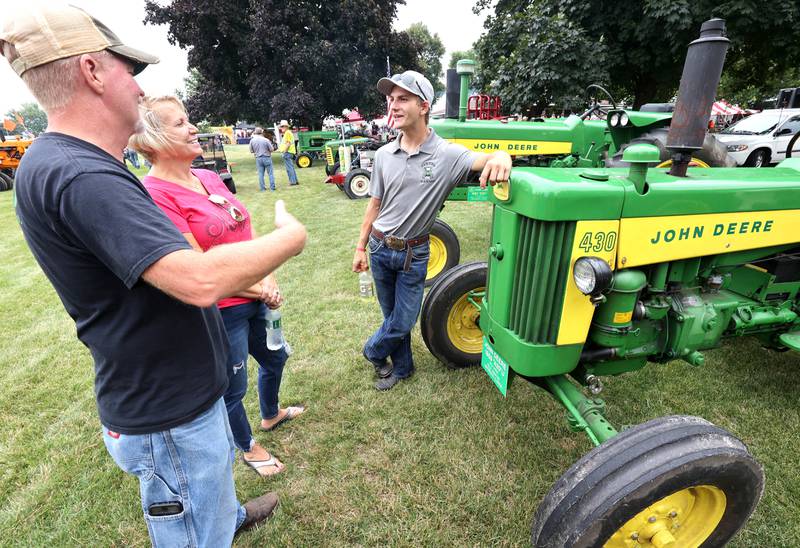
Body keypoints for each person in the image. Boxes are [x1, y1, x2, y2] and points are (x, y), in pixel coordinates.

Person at [1, 5, 307, 546]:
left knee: (207, 497)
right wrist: (289, 238)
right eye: (129, 71)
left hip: (175, 391)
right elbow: (198, 281)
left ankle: (225, 514)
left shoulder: (75, 163)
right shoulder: (80, 174)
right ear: (92, 72)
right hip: (167, 411)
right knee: (194, 530)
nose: (139, 89)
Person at [130, 95, 306, 478]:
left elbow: (245, 227)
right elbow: (199, 269)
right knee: (233, 389)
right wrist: (260, 288)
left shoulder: (207, 177)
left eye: (188, 119)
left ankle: (271, 415)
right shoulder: (155, 195)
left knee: (276, 357)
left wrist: (268, 276)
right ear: (153, 141)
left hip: (258, 295)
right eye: (180, 124)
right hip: (222, 312)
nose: (193, 128)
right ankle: (247, 447)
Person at [352, 70, 512, 391]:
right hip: (381, 247)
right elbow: (374, 205)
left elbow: (489, 158)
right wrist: (360, 248)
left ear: (424, 106)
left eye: (403, 99)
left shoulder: (446, 155)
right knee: (391, 317)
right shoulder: (384, 155)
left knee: (404, 320)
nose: (393, 106)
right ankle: (403, 368)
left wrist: (503, 156)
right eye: (391, 99)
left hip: (415, 252)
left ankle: (372, 351)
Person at [249, 126, 276, 191]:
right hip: (267, 157)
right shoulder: (266, 140)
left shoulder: (252, 140)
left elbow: (251, 151)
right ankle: (272, 188)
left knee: (261, 174)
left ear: (255, 133)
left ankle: (262, 188)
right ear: (262, 132)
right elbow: (272, 149)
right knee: (270, 173)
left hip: (258, 158)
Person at [277, 119, 299, 186]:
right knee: (291, 167)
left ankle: (293, 182)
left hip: (288, 152)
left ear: (286, 127)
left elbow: (288, 143)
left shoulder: (287, 133)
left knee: (289, 168)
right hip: (289, 152)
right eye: (281, 126)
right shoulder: (288, 133)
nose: (282, 128)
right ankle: (295, 181)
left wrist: (284, 151)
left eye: (283, 126)